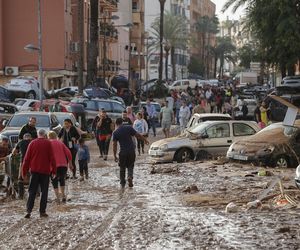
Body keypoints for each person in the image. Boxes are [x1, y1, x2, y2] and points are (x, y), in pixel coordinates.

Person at [22, 129, 56, 218]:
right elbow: (52, 158)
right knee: (44, 192)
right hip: (45, 171)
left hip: (34, 171)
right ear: (45, 135)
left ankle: (28, 211)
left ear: (38, 135)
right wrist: (54, 170)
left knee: (32, 191)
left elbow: (26, 159)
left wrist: (24, 172)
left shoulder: (32, 143)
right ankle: (42, 212)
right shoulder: (48, 143)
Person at [113, 118, 149, 188]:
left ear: (116, 124)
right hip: (131, 151)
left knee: (122, 168)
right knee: (130, 166)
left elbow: (114, 145)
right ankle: (130, 177)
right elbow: (137, 135)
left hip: (122, 152)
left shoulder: (115, 132)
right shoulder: (129, 127)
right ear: (122, 122)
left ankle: (122, 183)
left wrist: (114, 156)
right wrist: (145, 140)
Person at [48, 131, 72, 203]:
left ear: (49, 137)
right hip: (63, 165)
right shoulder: (61, 143)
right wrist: (70, 163)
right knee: (62, 179)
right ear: (55, 136)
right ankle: (63, 195)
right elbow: (68, 153)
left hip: (53, 166)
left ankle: (57, 198)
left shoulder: (48, 143)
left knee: (54, 181)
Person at [13, 133, 32, 199]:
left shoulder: (20, 142)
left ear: (24, 137)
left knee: (20, 178)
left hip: (23, 162)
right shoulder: (32, 142)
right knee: (33, 177)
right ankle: (35, 194)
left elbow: (14, 152)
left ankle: (21, 195)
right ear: (30, 137)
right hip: (31, 163)